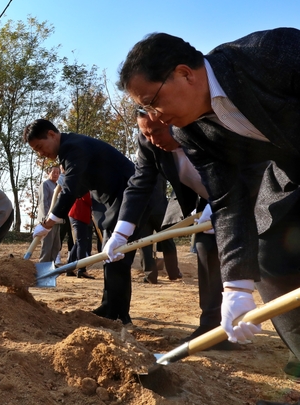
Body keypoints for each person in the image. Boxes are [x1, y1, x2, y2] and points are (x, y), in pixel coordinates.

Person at [119, 28, 300, 375]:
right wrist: (236, 284)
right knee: (268, 256)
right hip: (290, 172)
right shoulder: (193, 132)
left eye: (152, 101)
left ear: (185, 73)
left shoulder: (270, 53)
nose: (153, 116)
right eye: (144, 108)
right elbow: (228, 201)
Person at [105, 110, 228, 345]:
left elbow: (246, 168)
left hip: (254, 193)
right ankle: (213, 328)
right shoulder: (149, 143)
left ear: (174, 121)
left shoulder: (210, 128)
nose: (153, 139)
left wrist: (222, 203)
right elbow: (139, 185)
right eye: (146, 133)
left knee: (271, 263)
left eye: (157, 131)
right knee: (205, 247)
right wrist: (121, 233)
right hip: (208, 201)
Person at [23, 119, 152, 325]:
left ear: (52, 134)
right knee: (111, 255)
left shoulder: (73, 148)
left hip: (131, 197)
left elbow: (72, 188)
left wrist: (48, 223)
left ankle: (117, 314)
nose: (41, 153)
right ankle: (111, 308)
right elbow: (79, 185)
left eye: (40, 146)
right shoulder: (71, 148)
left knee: (115, 254)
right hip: (118, 199)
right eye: (36, 151)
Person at [64, 191, 95, 279]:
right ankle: (82, 269)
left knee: (79, 241)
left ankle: (69, 268)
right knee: (82, 242)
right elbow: (88, 199)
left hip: (79, 214)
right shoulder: (85, 184)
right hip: (79, 214)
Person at [36, 166, 62, 263]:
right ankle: (43, 265)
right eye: (53, 172)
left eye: (57, 173)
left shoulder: (58, 186)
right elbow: (43, 202)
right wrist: (47, 219)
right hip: (47, 220)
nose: (55, 174)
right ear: (48, 173)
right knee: (47, 245)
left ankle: (51, 265)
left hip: (56, 220)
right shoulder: (45, 184)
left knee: (56, 245)